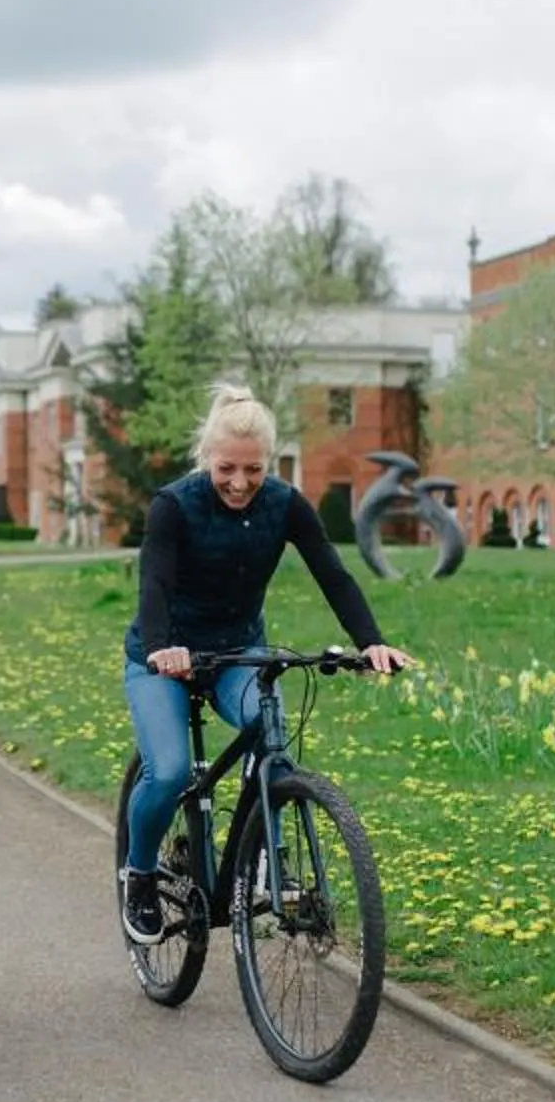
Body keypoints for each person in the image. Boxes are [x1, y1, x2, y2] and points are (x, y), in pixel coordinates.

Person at [119, 385, 415, 943]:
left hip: (237, 651)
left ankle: (259, 860)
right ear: (207, 456)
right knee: (172, 770)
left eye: (253, 469)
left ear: (271, 461)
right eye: (226, 467)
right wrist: (162, 647)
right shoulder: (173, 506)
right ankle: (138, 875)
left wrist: (372, 641)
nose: (239, 482)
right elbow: (153, 584)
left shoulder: (286, 504)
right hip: (164, 656)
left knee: (271, 726)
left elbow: (333, 574)